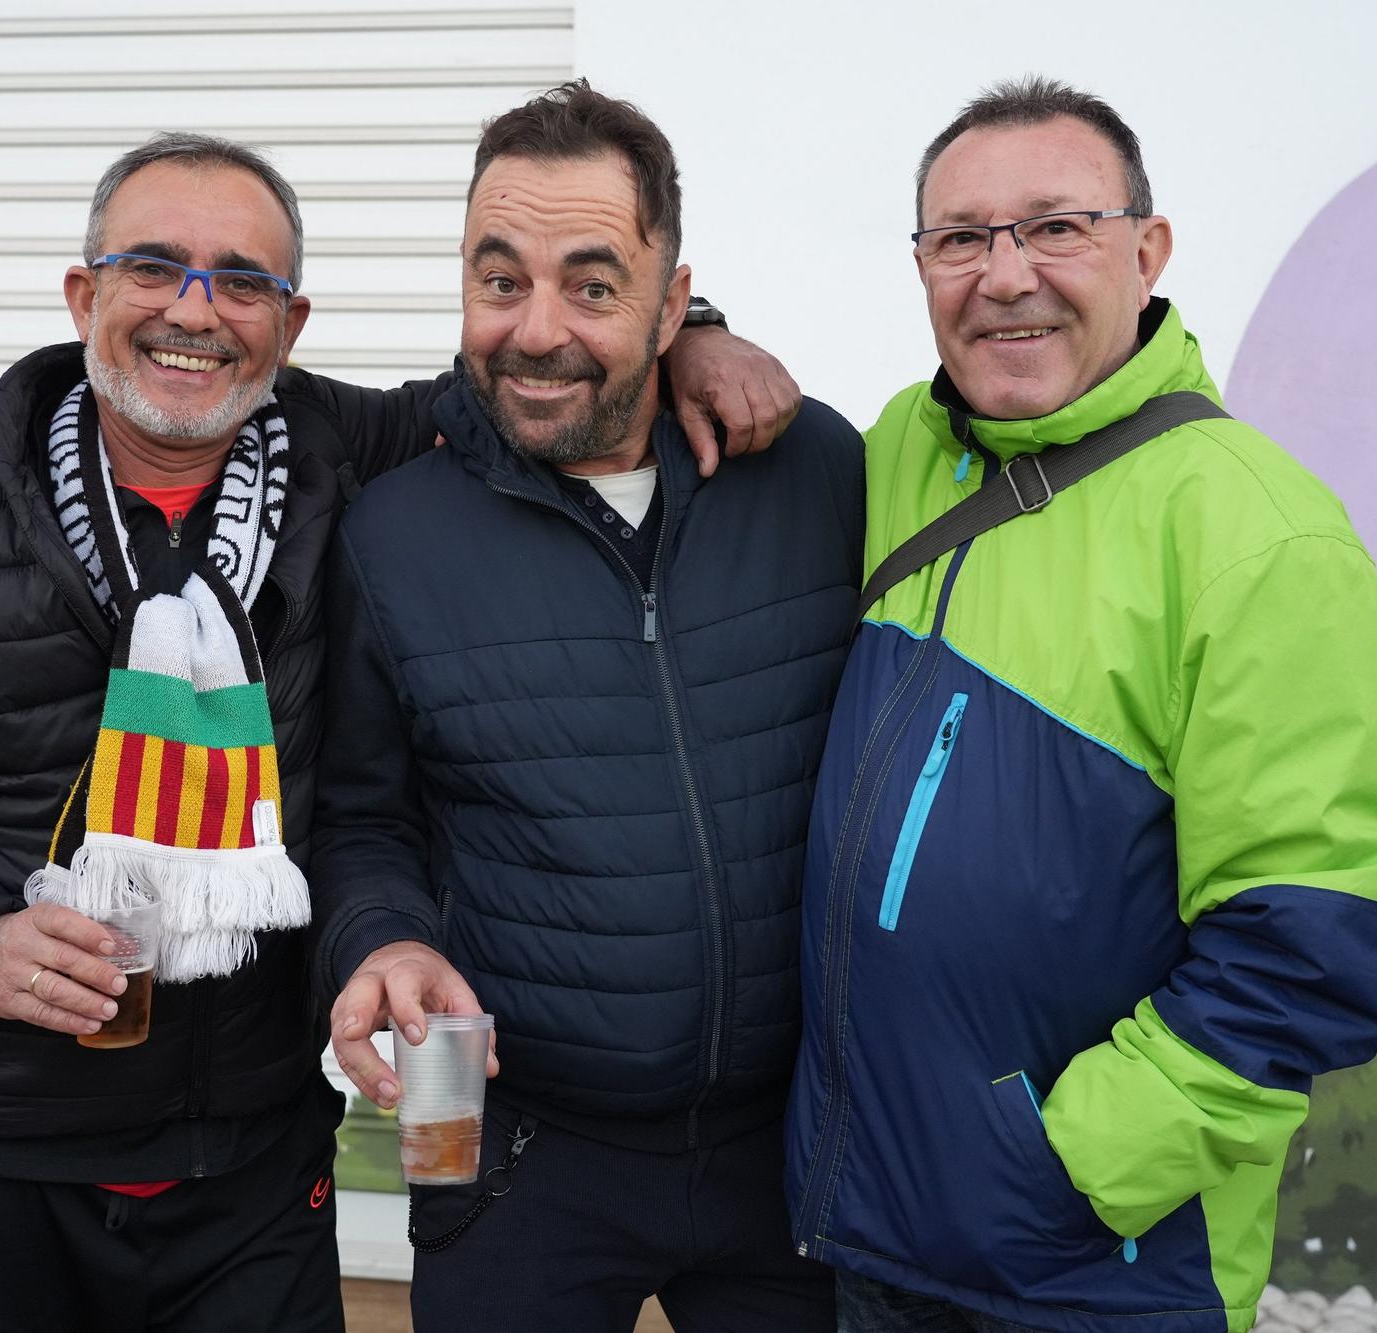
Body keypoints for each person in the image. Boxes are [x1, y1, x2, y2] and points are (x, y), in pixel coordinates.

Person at [0, 131, 793, 1333]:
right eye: (153, 267)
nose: (196, 311)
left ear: (289, 322)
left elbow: (544, 363)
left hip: (254, 1168)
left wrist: (697, 334)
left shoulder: (357, 460)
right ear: (85, 293)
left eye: (242, 282)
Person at [785, 77, 1377, 1333]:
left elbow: (1300, 956)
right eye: (959, 237)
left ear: (1147, 248)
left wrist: (1056, 1175)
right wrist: (705, 334)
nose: (1003, 274)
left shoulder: (1257, 534)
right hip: (873, 1240)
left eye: (1054, 226)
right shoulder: (906, 447)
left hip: (1089, 1273)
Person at [313, 81, 864, 1333]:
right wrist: (380, 938)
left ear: (675, 303)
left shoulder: (817, 471)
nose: (536, 329)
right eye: (498, 280)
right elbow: (361, 817)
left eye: (593, 284)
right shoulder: (393, 531)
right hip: (514, 1148)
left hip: (798, 1141)